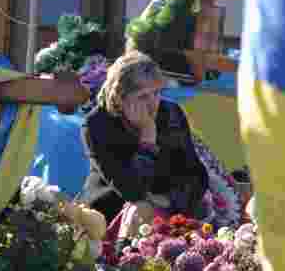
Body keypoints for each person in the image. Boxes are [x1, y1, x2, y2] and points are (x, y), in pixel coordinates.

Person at [80, 51, 208, 239]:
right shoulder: (97, 124)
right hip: (112, 211)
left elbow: (196, 175)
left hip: (167, 203)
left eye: (156, 93)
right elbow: (131, 190)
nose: (153, 103)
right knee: (140, 210)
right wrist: (147, 140)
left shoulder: (171, 113)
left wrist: (169, 202)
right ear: (119, 98)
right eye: (142, 96)